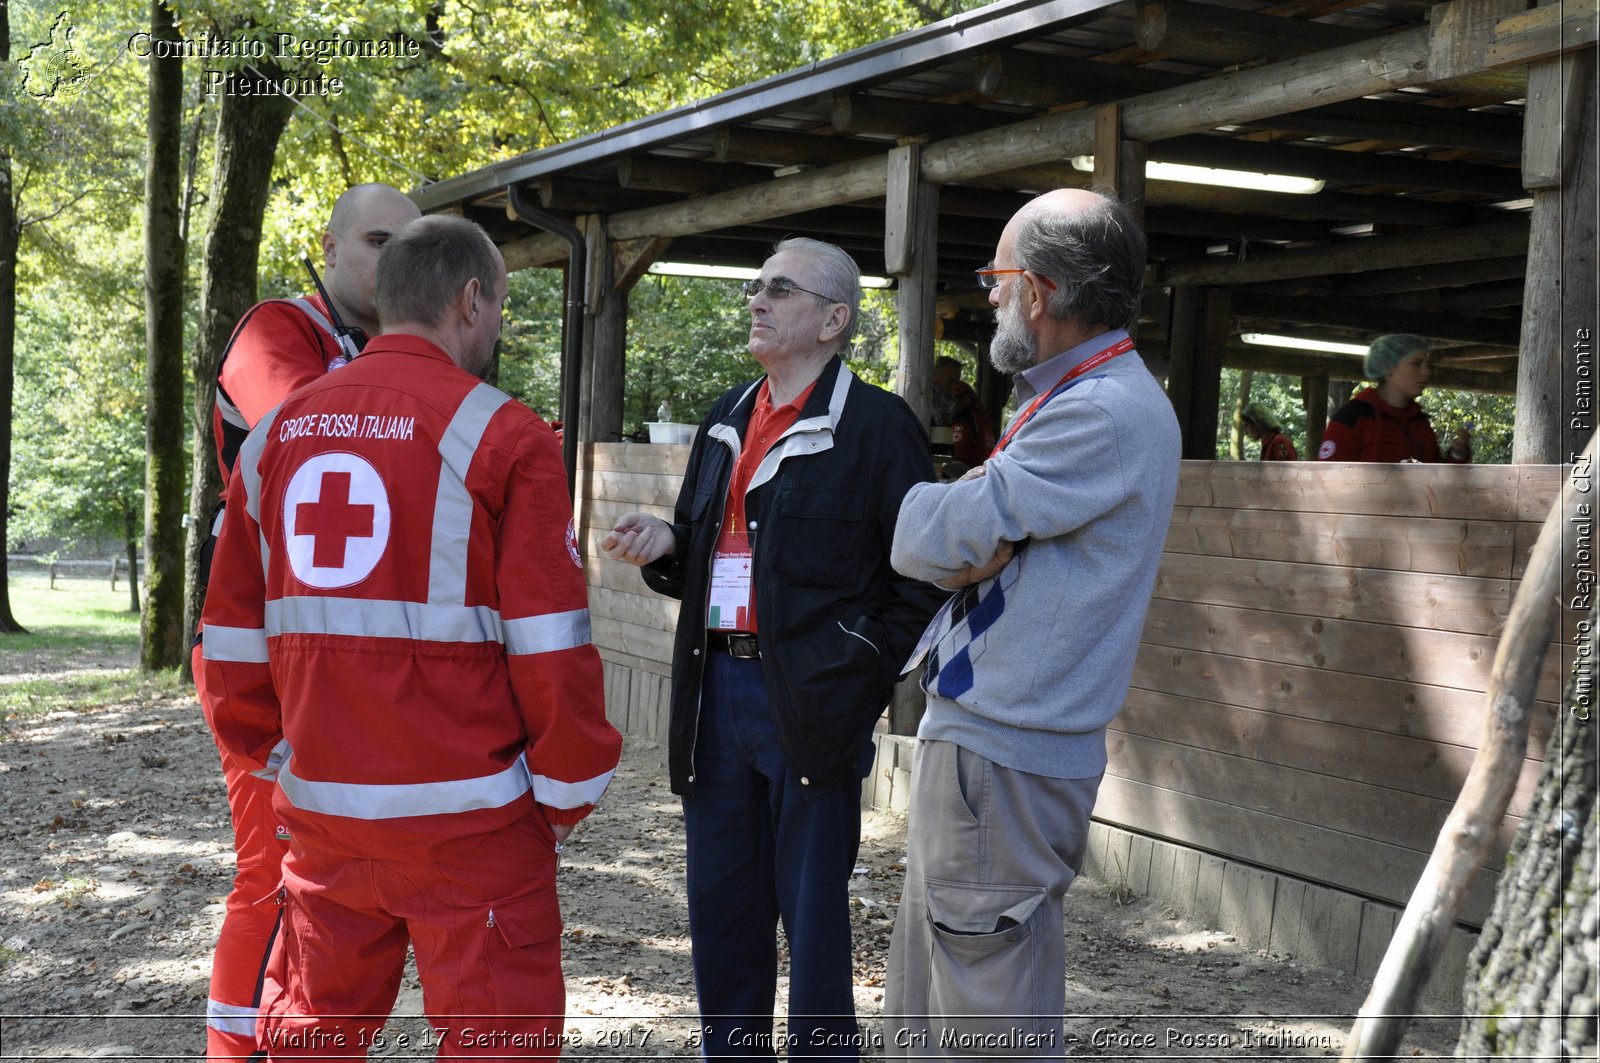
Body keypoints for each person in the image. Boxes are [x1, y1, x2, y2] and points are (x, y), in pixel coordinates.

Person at [199, 215, 621, 1057]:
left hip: (324, 823)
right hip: (477, 828)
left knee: (310, 1041)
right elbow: (552, 648)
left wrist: (277, 759)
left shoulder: (277, 437)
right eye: (497, 306)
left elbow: (231, 641)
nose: (497, 325)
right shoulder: (507, 435)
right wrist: (563, 794)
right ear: (470, 300)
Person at [600, 238, 945, 1059]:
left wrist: (851, 675)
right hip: (715, 696)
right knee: (723, 916)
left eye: (779, 290)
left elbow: (923, 583)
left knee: (815, 929)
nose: (756, 299)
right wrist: (667, 543)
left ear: (834, 319)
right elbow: (708, 551)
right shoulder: (726, 415)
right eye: (756, 286)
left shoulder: (878, 427)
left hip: (811, 705)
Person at [884, 188, 1181, 1057]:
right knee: (936, 994)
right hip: (993, 746)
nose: (987, 294)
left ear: (1040, 291)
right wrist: (974, 532)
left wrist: (952, 524)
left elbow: (934, 535)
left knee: (983, 1012)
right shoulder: (1071, 396)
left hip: (1005, 754)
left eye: (996, 275)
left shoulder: (1103, 409)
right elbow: (970, 538)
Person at [195, 181, 420, 1062]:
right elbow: (317, 433)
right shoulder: (277, 332)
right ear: (328, 250)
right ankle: (235, 1050)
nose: (395, 259)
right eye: (376, 240)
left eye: (412, 245)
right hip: (266, 650)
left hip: (349, 652)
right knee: (274, 869)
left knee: (329, 873)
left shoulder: (394, 350)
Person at [1317, 334, 1471, 463]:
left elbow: (1436, 479)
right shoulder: (1353, 417)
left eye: (1427, 364)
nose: (1426, 372)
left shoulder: (1419, 422)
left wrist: (1458, 454)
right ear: (1388, 368)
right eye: (1416, 364)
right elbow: (1326, 479)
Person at [930, 355, 994, 467]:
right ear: (935, 373)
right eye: (950, 382)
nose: (954, 389)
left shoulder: (965, 420)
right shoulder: (930, 399)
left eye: (956, 382)